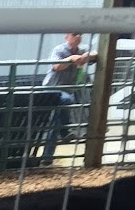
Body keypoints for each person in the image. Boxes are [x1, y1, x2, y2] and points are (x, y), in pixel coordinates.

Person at [41, 32, 96, 162]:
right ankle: (65, 131)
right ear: (67, 37)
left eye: (80, 34)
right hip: (52, 89)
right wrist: (71, 59)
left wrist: (87, 56)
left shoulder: (82, 50)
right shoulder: (59, 50)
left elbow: (96, 54)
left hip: (67, 90)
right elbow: (56, 66)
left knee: (55, 121)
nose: (78, 37)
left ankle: (48, 156)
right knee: (66, 100)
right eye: (74, 34)